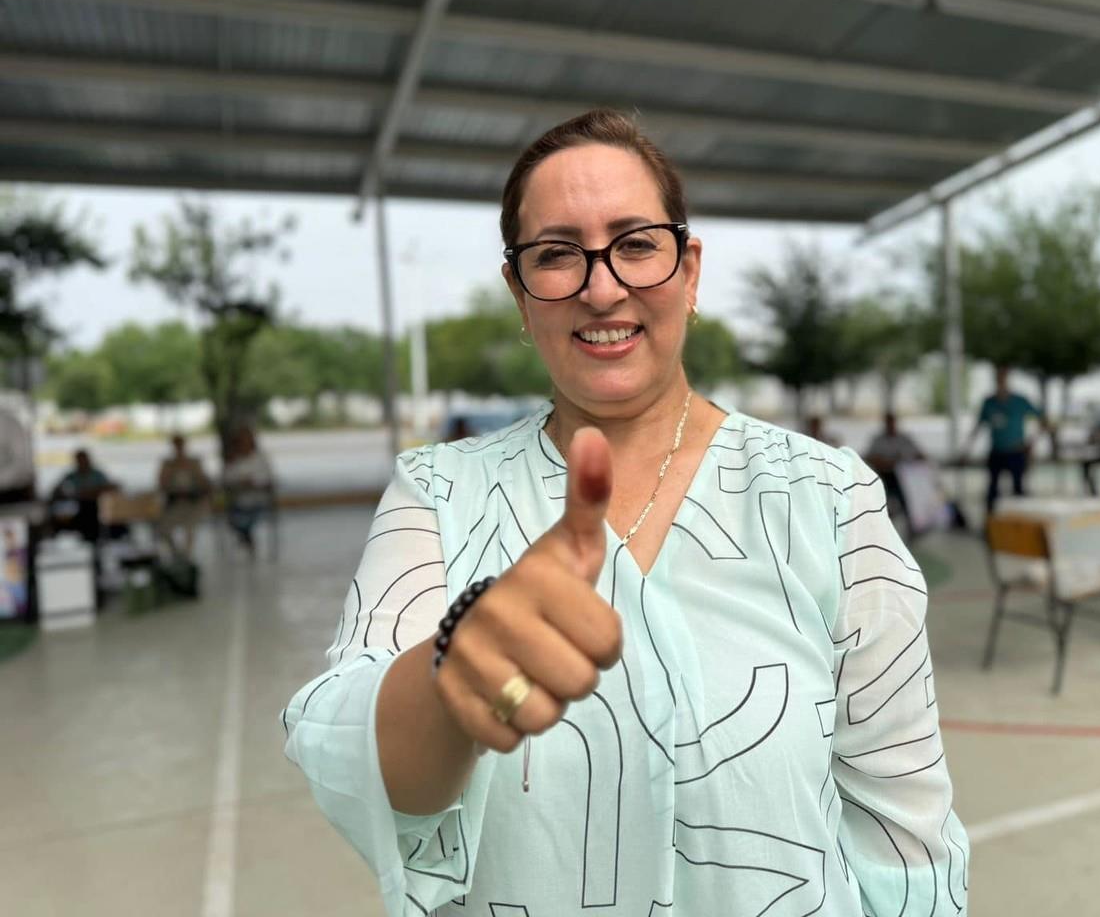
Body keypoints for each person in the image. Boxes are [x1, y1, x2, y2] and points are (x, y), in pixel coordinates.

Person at [282, 110, 967, 916]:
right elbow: (355, 746)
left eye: (636, 244)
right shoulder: (438, 493)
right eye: (556, 255)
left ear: (689, 267)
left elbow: (904, 835)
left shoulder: (829, 498)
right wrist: (451, 682)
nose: (601, 286)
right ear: (518, 289)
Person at [964, 366, 1046, 514]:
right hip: (997, 451)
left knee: (1018, 489)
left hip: (1017, 451)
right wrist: (967, 450)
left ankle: (1020, 520)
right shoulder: (989, 402)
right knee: (992, 490)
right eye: (998, 377)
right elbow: (978, 427)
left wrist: (1032, 443)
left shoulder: (1020, 401)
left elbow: (1042, 420)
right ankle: (991, 523)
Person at [221, 426, 273, 555]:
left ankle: (246, 536)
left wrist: (254, 482)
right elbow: (225, 479)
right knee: (235, 517)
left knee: (248, 517)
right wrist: (239, 483)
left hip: (258, 499)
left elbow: (268, 478)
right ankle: (246, 536)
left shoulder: (260, 458)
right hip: (238, 500)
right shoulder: (232, 460)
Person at [157, 434, 211, 558]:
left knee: (189, 528)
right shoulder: (167, 464)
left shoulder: (194, 462)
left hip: (194, 503)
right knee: (164, 528)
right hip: (176, 503)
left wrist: (193, 471)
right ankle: (177, 554)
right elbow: (161, 485)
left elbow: (204, 483)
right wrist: (170, 471)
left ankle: (186, 556)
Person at [48, 448, 117, 541]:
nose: (82, 462)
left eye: (84, 459)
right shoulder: (72, 475)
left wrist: (91, 492)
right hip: (79, 507)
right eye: (79, 460)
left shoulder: (97, 474)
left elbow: (111, 487)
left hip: (96, 507)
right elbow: (56, 489)